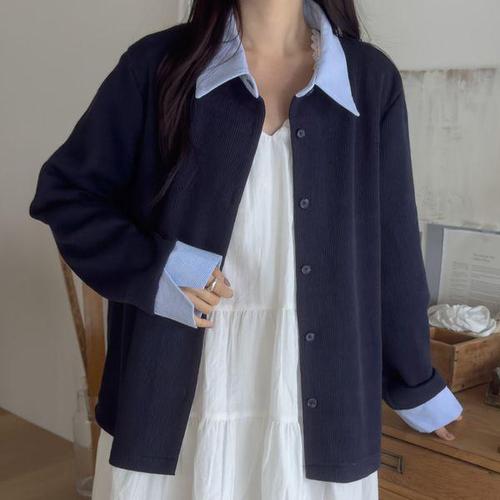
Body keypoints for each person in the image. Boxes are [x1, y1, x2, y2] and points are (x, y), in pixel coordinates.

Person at [30, 0, 464, 498]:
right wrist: (159, 268)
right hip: (173, 398)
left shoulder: (370, 80)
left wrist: (418, 386)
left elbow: (395, 251)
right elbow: (67, 195)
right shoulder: (157, 67)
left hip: (316, 408)